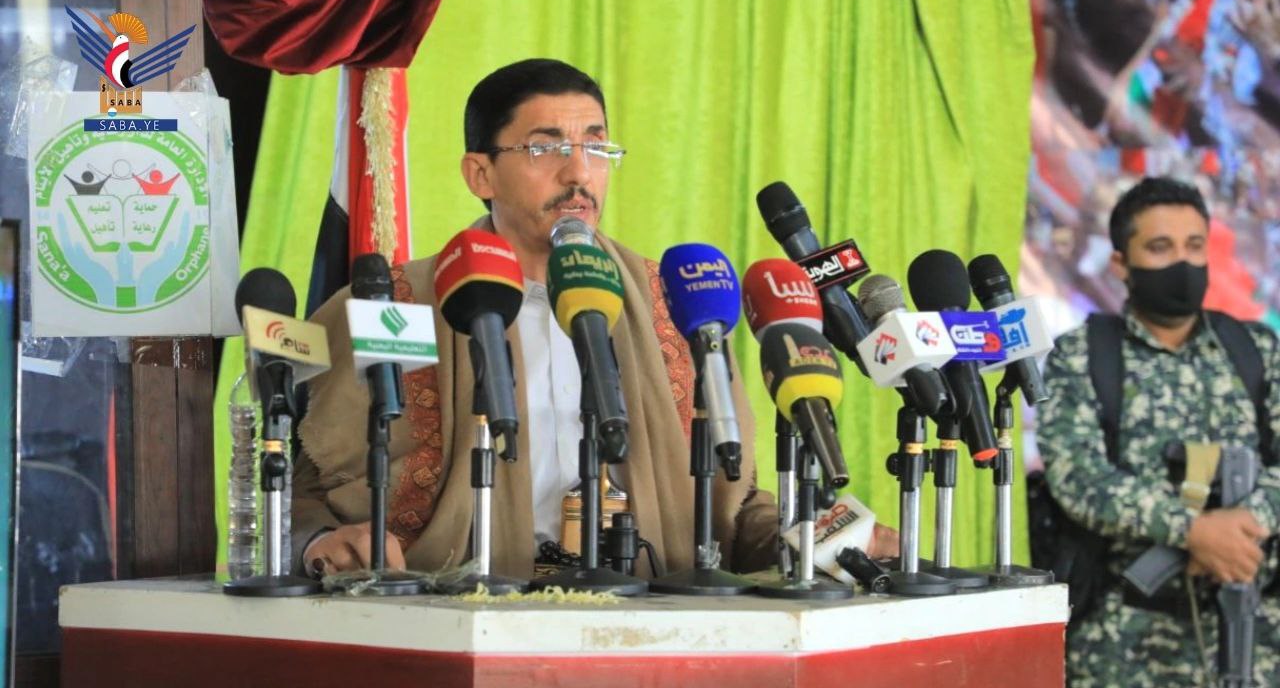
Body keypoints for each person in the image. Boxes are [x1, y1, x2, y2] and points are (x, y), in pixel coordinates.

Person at [292, 58, 895, 581]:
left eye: (597, 148)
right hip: (450, 621)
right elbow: (306, 489)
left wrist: (818, 537)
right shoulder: (394, 306)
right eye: (546, 148)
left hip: (646, 618)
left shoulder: (675, 300)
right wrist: (318, 541)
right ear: (480, 173)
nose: (579, 173)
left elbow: (730, 514)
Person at [1038, 176, 1280, 686]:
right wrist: (1192, 531)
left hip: (1253, 638)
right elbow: (1077, 476)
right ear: (1121, 263)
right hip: (1122, 644)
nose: (1182, 262)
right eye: (1160, 247)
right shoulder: (1084, 354)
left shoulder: (1256, 350)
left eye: (1194, 246)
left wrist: (1242, 527)